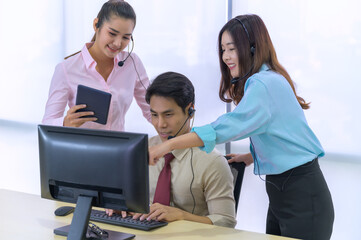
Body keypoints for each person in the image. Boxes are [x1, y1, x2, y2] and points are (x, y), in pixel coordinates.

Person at [149, 15, 334, 240]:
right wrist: (251, 156)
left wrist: (167, 146)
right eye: (223, 50)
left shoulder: (264, 84)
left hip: (301, 193)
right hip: (283, 192)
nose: (226, 57)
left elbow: (225, 127)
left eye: (232, 49)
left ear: (253, 48)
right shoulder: (267, 79)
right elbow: (280, 131)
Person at [107, 72, 236, 228]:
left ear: (190, 110)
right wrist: (118, 206)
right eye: (154, 115)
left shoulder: (212, 161)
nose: (160, 124)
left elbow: (226, 222)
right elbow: (123, 198)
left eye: (168, 115)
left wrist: (182, 216)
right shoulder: (141, 150)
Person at [42, 0, 151, 130]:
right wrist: (65, 122)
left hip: (118, 148)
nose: (117, 43)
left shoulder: (132, 63)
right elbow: (47, 124)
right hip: (82, 148)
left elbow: (152, 110)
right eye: (112, 33)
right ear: (96, 25)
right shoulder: (66, 69)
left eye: (125, 37)